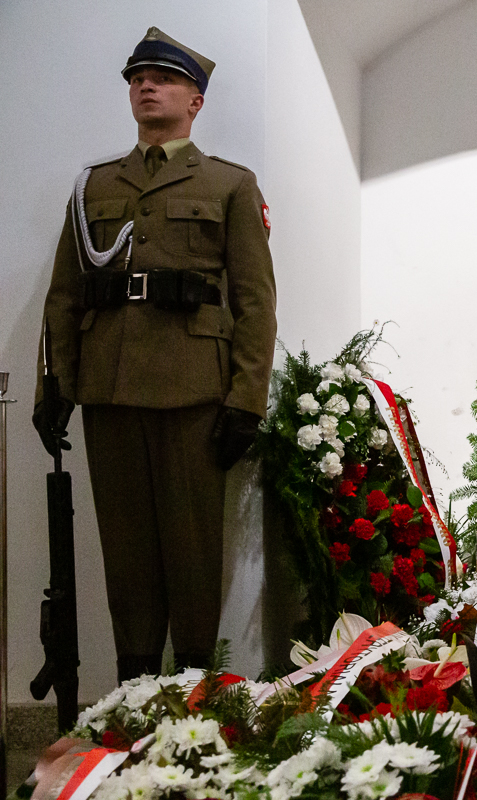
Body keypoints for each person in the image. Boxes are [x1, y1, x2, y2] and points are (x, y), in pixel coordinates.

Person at [33, 27, 277, 681]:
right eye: (138, 78)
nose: (146, 85)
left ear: (195, 101)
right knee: (128, 553)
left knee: (193, 551)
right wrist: (54, 387)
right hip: (109, 388)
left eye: (163, 78)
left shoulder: (229, 184)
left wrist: (246, 399)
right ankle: (134, 694)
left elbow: (255, 302)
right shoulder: (92, 187)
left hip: (194, 391)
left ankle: (196, 693)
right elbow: (65, 295)